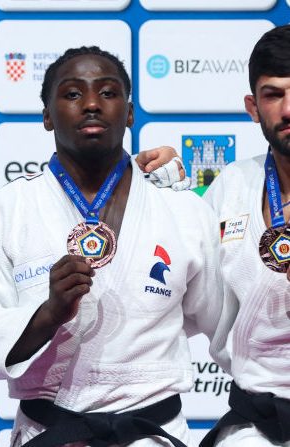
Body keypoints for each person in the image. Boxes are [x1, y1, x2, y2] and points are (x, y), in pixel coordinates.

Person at [0, 45, 226, 447]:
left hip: (152, 435)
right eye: (73, 94)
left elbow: (220, 320)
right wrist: (47, 315)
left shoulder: (182, 210)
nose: (92, 104)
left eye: (109, 93)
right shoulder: (4, 211)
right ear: (46, 115)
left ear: (129, 113)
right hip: (50, 433)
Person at [137, 24, 290, 447]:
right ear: (253, 106)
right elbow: (180, 279)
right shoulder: (233, 185)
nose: (288, 109)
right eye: (273, 94)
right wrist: (168, 190)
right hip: (256, 424)